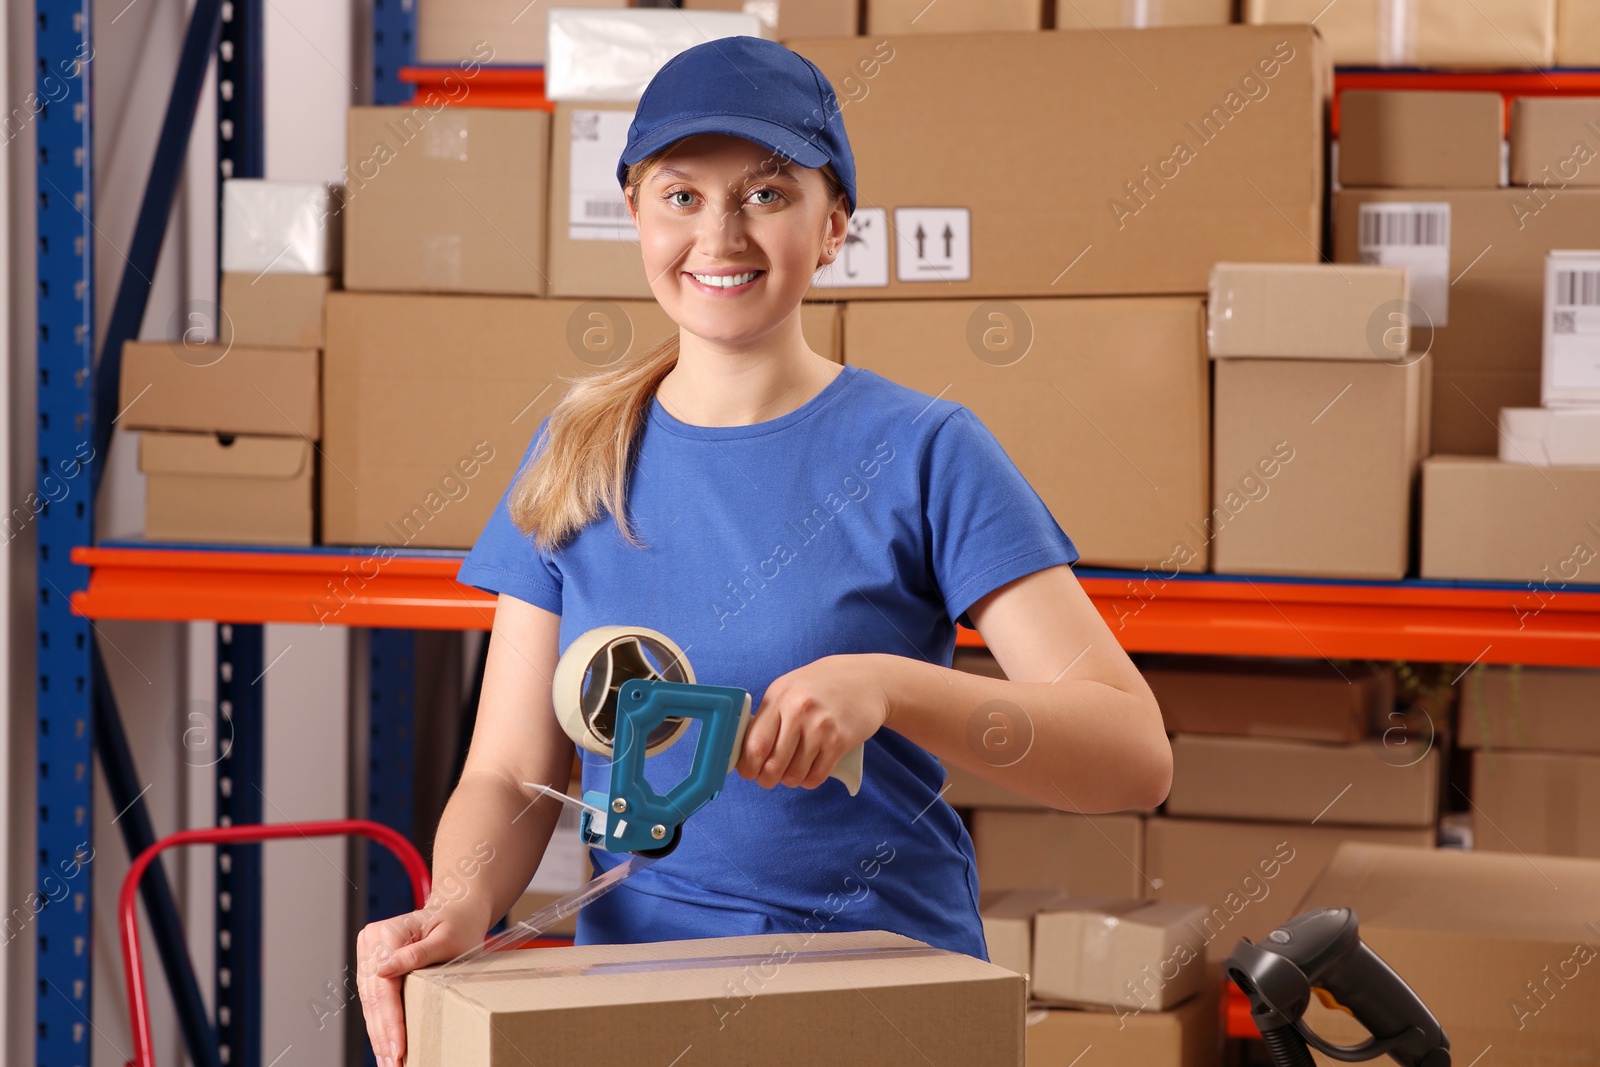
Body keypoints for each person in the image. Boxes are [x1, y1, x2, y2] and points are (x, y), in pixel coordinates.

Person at [356, 35, 1170, 1066]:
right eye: (680, 196)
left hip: (883, 1007)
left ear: (834, 227)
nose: (720, 233)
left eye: (767, 194)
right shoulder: (576, 456)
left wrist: (889, 686)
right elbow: (514, 772)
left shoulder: (925, 451)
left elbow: (1131, 756)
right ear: (636, 215)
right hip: (642, 1009)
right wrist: (463, 900)